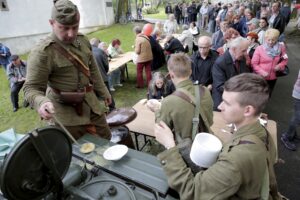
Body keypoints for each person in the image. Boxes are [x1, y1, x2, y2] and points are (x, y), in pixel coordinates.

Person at [154, 73, 281, 200]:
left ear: (247, 110)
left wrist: (170, 145)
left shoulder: (236, 159)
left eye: (226, 103)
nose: (220, 106)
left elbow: (193, 192)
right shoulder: (261, 132)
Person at [24, 0, 112, 140]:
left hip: (92, 106)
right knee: (78, 153)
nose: (71, 34)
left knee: (106, 140)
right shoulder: (43, 52)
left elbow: (93, 69)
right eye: (64, 28)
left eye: (75, 27)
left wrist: (104, 92)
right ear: (52, 23)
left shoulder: (82, 40)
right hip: (65, 115)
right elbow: (31, 88)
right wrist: (42, 102)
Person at [151, 53, 213, 140]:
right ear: (190, 72)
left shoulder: (169, 101)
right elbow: (210, 119)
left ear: (171, 75)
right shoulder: (205, 90)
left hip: (184, 146)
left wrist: (157, 110)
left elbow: (160, 129)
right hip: (205, 139)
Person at [212, 37, 251, 111]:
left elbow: (245, 75)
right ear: (234, 49)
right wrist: (239, 92)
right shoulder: (220, 62)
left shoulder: (241, 58)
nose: (246, 53)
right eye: (243, 51)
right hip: (223, 98)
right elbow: (220, 86)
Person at [251, 28, 288, 96]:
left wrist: (280, 66)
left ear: (277, 39)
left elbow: (285, 59)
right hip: (260, 77)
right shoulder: (259, 48)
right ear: (265, 39)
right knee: (259, 94)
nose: (271, 42)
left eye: (273, 40)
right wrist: (262, 72)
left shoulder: (282, 47)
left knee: (268, 93)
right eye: (269, 40)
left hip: (273, 77)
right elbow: (254, 63)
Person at [90, 38, 116, 111]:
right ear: (98, 44)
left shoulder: (87, 51)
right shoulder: (100, 51)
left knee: (96, 96)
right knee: (107, 94)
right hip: (102, 78)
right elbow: (106, 66)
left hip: (91, 80)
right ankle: (112, 109)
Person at [281, 70, 300, 151]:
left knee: (298, 117)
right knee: (297, 117)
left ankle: (293, 135)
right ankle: (286, 136)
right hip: (298, 95)